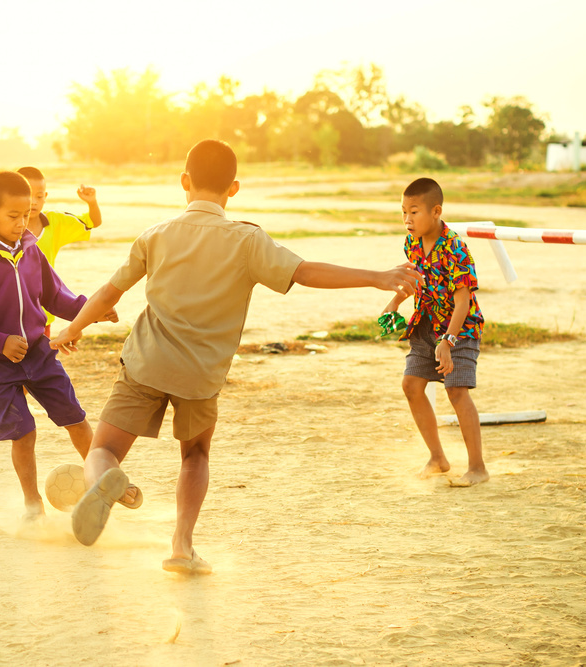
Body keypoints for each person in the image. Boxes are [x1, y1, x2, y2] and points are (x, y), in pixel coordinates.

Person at [50, 139, 422, 574]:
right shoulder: (247, 240)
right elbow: (304, 272)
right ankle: (181, 547)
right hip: (201, 374)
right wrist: (376, 277)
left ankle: (102, 480)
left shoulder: (155, 234)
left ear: (184, 181)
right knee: (195, 456)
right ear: (234, 188)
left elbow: (108, 293)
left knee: (104, 448)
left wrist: (72, 329)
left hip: (145, 362)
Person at [0, 171, 138, 518]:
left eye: (25, 215)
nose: (22, 223)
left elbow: (55, 295)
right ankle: (33, 505)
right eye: (13, 216)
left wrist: (89, 311)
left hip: (38, 352)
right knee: (24, 433)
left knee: (75, 418)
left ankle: (107, 480)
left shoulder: (32, 249)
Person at [382, 177, 489, 487]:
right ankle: (438, 458)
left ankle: (478, 467)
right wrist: (394, 303)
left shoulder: (455, 248)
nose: (407, 219)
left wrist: (448, 342)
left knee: (456, 391)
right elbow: (416, 280)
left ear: (436, 211)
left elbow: (463, 301)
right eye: (403, 212)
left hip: (459, 330)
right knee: (411, 385)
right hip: (425, 325)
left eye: (414, 212)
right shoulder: (412, 243)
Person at [16, 166, 103, 336]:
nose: (34, 202)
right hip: (11, 312)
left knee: (40, 352)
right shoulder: (7, 224)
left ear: (45, 197)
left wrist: (92, 202)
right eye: (28, 195)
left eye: (39, 196)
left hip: (42, 314)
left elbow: (93, 222)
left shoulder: (54, 223)